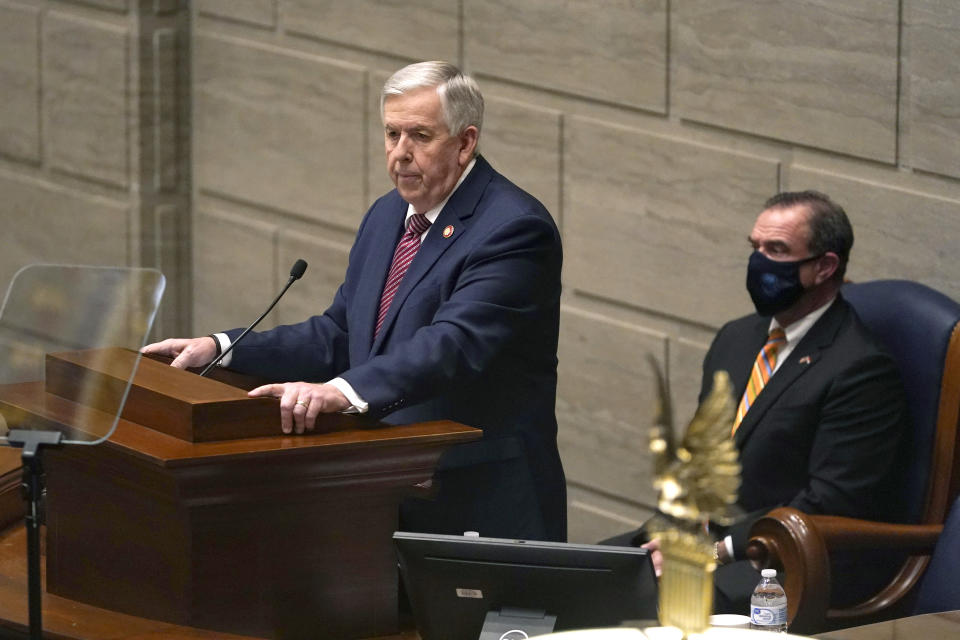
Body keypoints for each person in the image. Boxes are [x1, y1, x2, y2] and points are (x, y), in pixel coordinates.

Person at [143, 61, 566, 543]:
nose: (400, 154)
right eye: (391, 134)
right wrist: (223, 348)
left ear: (466, 142)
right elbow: (343, 333)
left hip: (477, 499)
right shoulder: (388, 215)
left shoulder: (512, 229)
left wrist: (341, 392)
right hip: (382, 494)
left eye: (420, 137)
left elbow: (453, 343)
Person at [610, 191, 908, 612]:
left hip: (781, 561)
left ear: (825, 266)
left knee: (627, 602)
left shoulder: (860, 368)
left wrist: (722, 550)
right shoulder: (737, 337)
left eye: (777, 250)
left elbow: (831, 500)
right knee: (568, 575)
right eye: (755, 247)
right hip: (703, 537)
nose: (759, 262)